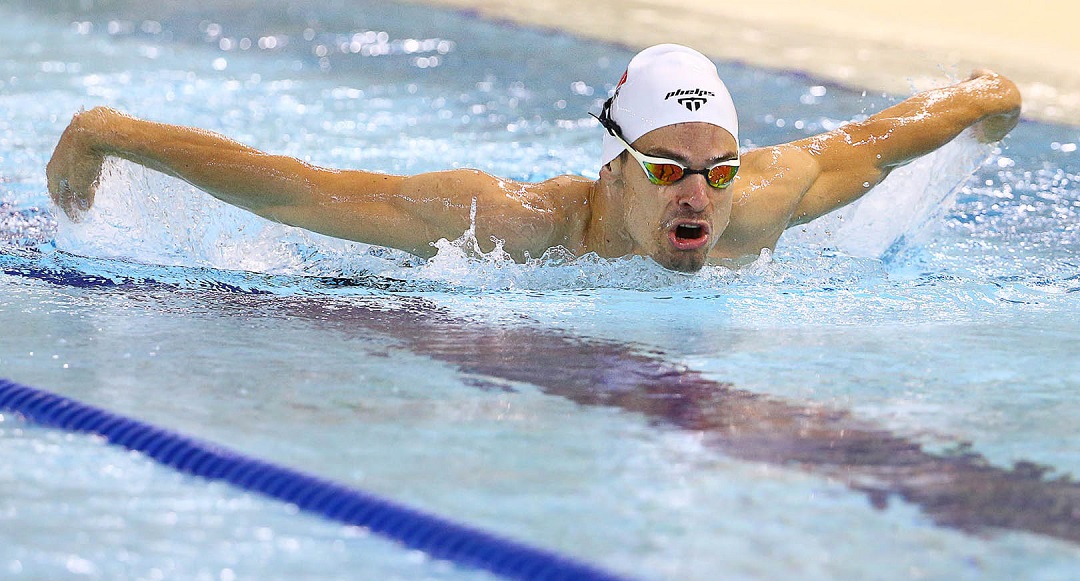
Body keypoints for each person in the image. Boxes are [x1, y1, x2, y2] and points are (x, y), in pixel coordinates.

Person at [46, 44, 1021, 273]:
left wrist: (986, 99)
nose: (699, 194)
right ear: (613, 167)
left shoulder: (763, 201)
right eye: (668, 167)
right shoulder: (512, 224)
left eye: (717, 169)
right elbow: (303, 190)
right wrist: (112, 134)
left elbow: (880, 139)